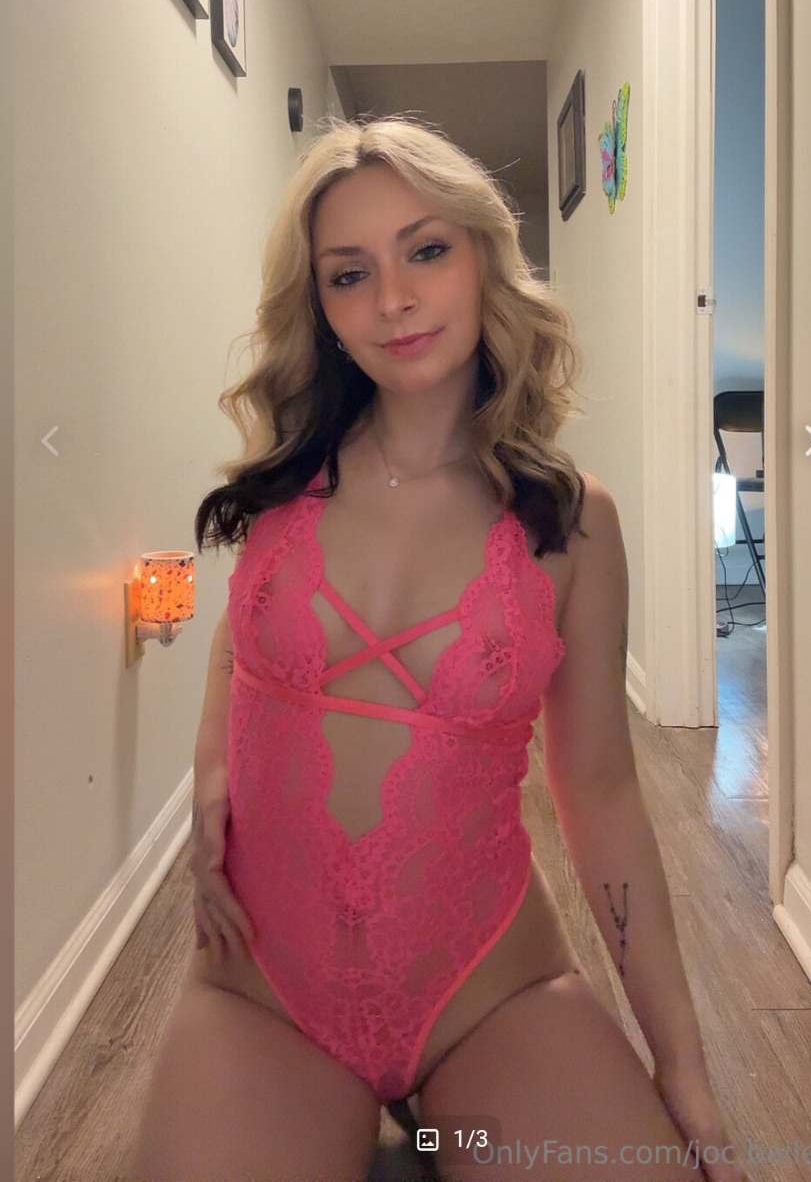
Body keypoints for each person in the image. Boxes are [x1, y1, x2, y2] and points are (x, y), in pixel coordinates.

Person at [130, 119, 743, 1182]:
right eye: (349, 274)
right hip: (264, 991)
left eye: (425, 251)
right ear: (320, 308)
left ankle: (436, 1117)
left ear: (484, 258)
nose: (394, 301)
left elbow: (600, 790)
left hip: (490, 993)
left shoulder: (570, 523)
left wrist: (682, 1064)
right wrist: (210, 766)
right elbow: (247, 630)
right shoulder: (282, 488)